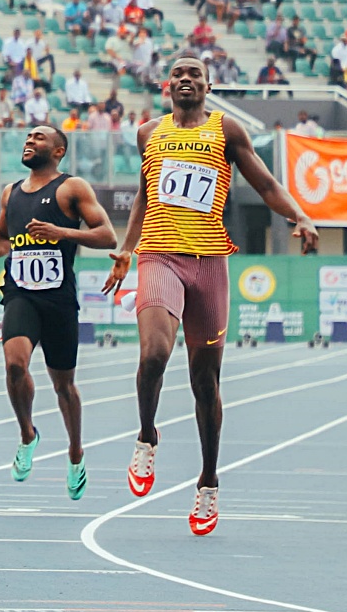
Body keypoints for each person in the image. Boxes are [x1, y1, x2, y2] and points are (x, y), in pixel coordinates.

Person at [103, 54, 319, 536]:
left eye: (193, 74)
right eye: (177, 74)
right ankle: (146, 434)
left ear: (208, 84)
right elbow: (144, 193)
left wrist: (299, 215)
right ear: (165, 85)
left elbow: (264, 182)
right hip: (159, 255)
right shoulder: (148, 134)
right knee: (155, 353)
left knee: (205, 381)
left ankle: (208, 480)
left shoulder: (228, 131)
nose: (185, 80)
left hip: (209, 264)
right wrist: (126, 248)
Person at [0, 126, 116, 500]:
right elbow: (4, 237)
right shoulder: (12, 192)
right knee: (15, 364)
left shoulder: (72, 189)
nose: (29, 141)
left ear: (58, 150)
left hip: (59, 300)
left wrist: (61, 233)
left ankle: (75, 451)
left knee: (63, 385)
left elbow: (107, 236)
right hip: (21, 294)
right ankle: (27, 434)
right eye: (27, 137)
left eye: (38, 137)